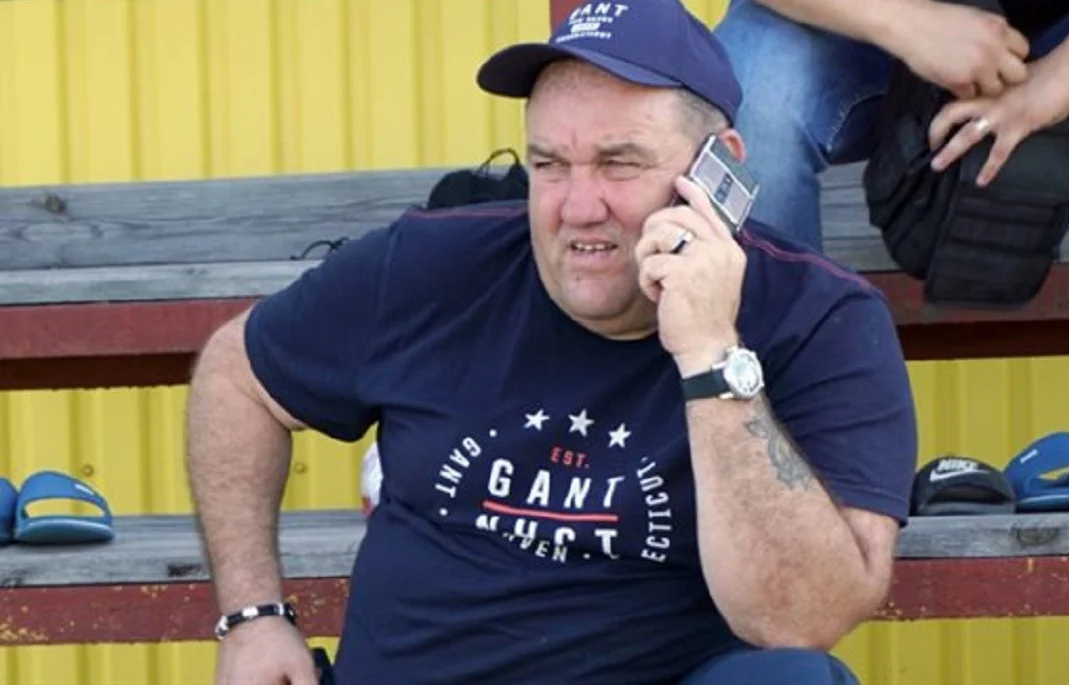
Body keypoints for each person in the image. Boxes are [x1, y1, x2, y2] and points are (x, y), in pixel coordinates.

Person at [185, 1, 918, 683]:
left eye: (619, 162)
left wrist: (712, 357)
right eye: (550, 165)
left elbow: (802, 617)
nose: (577, 207)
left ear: (718, 164)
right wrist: (252, 616)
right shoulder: (431, 266)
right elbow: (236, 374)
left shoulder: (818, 317)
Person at [714, 0, 1069, 251]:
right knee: (753, 96)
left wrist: (1062, 79)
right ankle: (776, 395)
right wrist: (906, 23)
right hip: (865, 30)